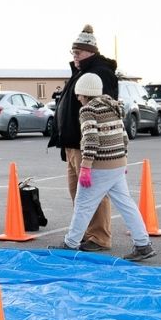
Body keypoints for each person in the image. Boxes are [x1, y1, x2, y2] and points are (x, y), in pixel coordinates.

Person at [60, 73, 155, 261]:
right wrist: (123, 158)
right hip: (117, 164)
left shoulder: (88, 110)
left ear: (85, 93)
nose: (78, 98)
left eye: (79, 94)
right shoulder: (113, 106)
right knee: (126, 205)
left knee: (83, 204)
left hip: (100, 166)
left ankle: (70, 244)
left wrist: (85, 167)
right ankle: (143, 244)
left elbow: (91, 139)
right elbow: (124, 136)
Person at [47, 24, 118, 251]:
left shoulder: (100, 74)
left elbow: (105, 111)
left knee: (94, 193)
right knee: (78, 194)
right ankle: (86, 234)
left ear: (90, 52)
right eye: (73, 52)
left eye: (78, 52)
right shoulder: (79, 73)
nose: (74, 56)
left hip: (87, 145)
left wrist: (93, 146)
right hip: (71, 144)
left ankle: (99, 237)